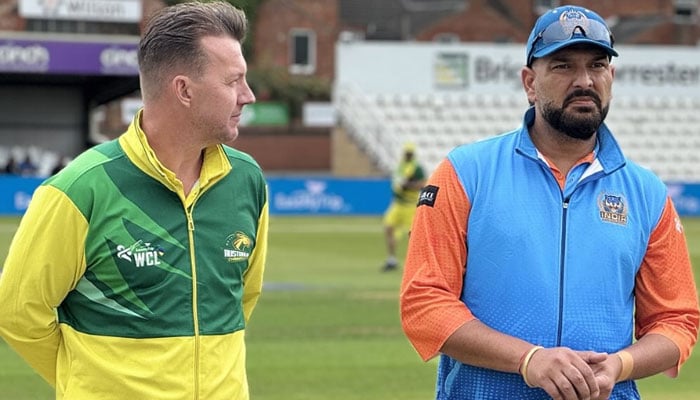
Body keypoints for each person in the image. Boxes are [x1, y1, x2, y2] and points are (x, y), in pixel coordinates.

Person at [400, 5, 699, 400]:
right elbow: (425, 303)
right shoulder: (465, 173)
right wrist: (529, 360)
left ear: (612, 77)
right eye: (562, 66)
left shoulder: (646, 193)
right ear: (529, 82)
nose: (584, 80)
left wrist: (618, 365)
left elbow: (677, 320)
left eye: (597, 65)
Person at [0, 2, 268, 399]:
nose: (248, 96)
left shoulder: (246, 180)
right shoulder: (81, 188)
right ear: (183, 90)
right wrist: (91, 382)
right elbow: (19, 313)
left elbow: (241, 298)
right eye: (233, 81)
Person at [381, 142, 426, 271]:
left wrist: (409, 186)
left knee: (412, 234)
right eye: (406, 153)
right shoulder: (401, 166)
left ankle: (417, 262)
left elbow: (423, 184)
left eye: (409, 153)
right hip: (398, 203)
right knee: (388, 227)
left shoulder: (416, 168)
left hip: (410, 205)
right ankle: (392, 259)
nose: (407, 155)